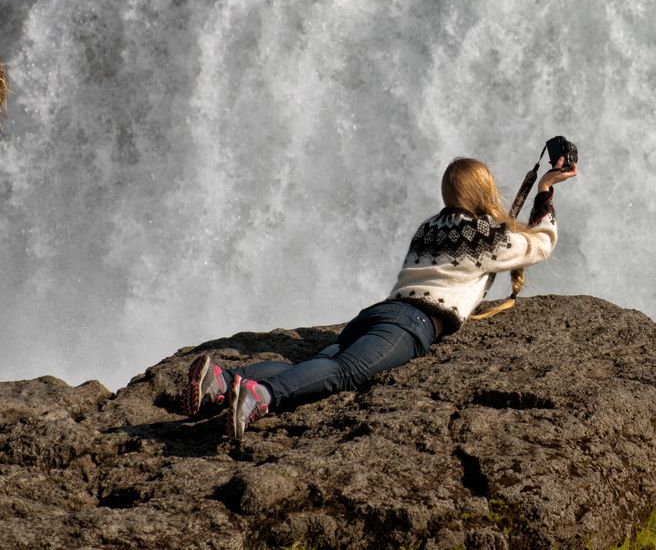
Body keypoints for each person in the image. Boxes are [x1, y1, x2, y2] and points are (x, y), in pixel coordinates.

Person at [182, 155, 577, 441]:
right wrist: (545, 190)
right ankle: (261, 395)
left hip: (379, 314)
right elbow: (540, 243)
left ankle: (224, 380)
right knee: (345, 373)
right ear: (484, 189)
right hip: (413, 323)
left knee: (320, 361)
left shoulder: (429, 227)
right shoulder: (484, 236)